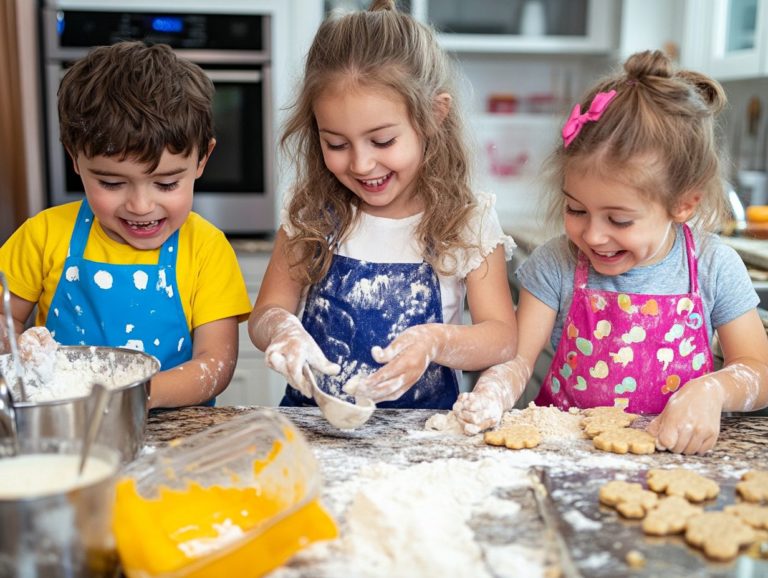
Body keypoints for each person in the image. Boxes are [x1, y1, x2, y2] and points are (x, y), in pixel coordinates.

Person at [454, 50, 768, 454]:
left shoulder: (713, 267)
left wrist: (714, 390)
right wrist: (494, 390)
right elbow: (516, 361)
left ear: (683, 204)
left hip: (677, 457)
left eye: (619, 220)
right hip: (568, 459)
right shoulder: (557, 264)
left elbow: (758, 370)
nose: (594, 236)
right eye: (576, 210)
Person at [248, 0, 517, 409]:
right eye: (335, 144)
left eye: (383, 141)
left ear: (433, 115)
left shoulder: (466, 220)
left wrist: (435, 341)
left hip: (420, 440)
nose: (360, 163)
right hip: (313, 431)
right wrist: (282, 330)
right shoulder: (311, 213)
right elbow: (266, 312)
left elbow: (500, 337)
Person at [0, 41, 252, 408]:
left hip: (174, 436)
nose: (140, 205)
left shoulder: (206, 249)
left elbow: (215, 364)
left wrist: (132, 396)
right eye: (112, 183)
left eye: (166, 184)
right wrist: (20, 355)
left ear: (202, 160)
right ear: (76, 159)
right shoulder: (43, 235)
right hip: (63, 426)